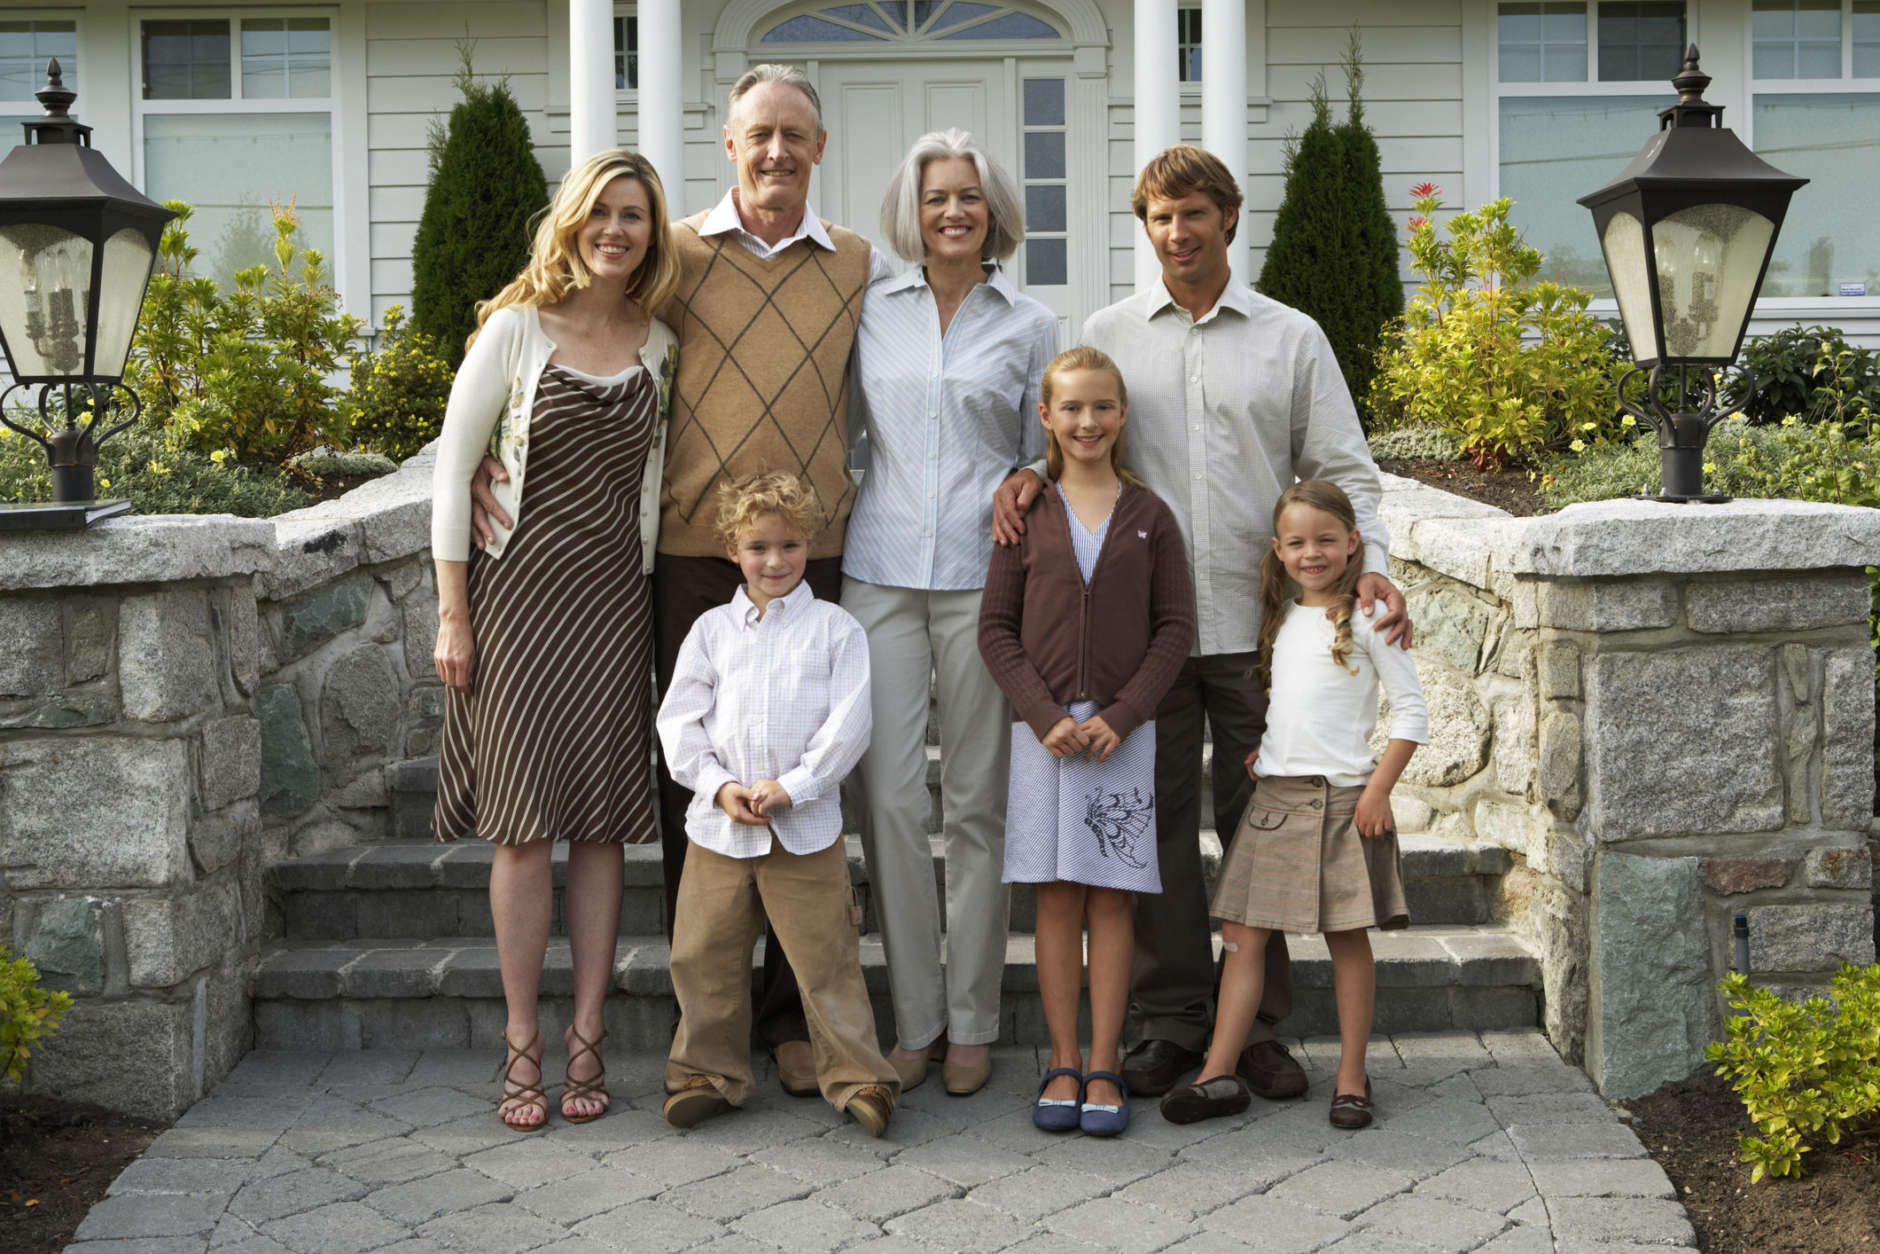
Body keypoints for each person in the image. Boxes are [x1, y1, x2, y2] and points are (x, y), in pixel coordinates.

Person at [469, 65, 894, 1097]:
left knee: (806, 778)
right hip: (690, 555)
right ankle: (705, 1020)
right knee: (688, 783)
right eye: (760, 134)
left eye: (796, 134)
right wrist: (492, 447)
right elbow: (556, 315)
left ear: (821, 148)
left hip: (810, 552)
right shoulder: (676, 255)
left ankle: (794, 1017)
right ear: (730, 143)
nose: (777, 152)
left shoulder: (857, 264)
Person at [993, 145, 1413, 1101]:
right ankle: (1173, 1020)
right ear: (1143, 230)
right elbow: (1063, 446)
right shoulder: (1108, 333)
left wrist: (1373, 570)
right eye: (1159, 218)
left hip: (1271, 635)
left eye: (1193, 214)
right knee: (1158, 836)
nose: (1177, 233)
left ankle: (1258, 1028)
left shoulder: (1290, 337)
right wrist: (1021, 476)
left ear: (1228, 218)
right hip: (1142, 643)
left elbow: (1345, 470)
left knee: (1266, 833)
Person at [430, 149, 681, 1130]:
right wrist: (453, 613)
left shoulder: (660, 341)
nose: (616, 229)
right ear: (572, 220)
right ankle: (521, 1041)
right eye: (602, 212)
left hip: (616, 602)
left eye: (635, 216)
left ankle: (588, 1038)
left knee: (605, 822)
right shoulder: (512, 331)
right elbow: (456, 474)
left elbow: (658, 488)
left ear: (651, 235)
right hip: (516, 600)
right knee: (526, 825)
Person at [844, 129, 1057, 1096]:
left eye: (968, 196)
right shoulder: (870, 309)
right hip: (879, 572)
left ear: (992, 208)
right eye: (936, 198)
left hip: (984, 577)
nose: (953, 212)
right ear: (913, 210)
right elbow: (836, 424)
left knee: (975, 804)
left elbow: (1042, 448)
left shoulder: (1030, 322)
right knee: (888, 799)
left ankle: (972, 1020)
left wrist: (1031, 475)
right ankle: (915, 1019)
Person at [1161, 480, 1426, 1128]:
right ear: (1279, 550)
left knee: (1346, 939)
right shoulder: (1279, 617)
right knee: (1244, 936)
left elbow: (1412, 713)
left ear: (1352, 543)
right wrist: (1270, 751)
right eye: (1299, 542)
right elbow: (1293, 698)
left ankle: (1352, 1076)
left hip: (1343, 802)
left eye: (1327, 540)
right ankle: (1218, 1072)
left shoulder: (1368, 618)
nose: (1314, 553)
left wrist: (1378, 790)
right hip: (1273, 799)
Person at [979, 347, 1195, 1136]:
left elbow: (1175, 630)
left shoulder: (1150, 517)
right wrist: (1043, 715)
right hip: (1043, 739)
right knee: (1056, 898)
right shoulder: (1024, 513)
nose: (1087, 422)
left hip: (1119, 739)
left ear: (1123, 413)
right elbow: (996, 631)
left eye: (1102, 406)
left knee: (1111, 901)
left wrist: (1125, 713)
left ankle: (1106, 1061)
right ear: (1045, 417)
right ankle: (1061, 1059)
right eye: (1071, 408)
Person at [654, 471, 900, 1136]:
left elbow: (850, 724)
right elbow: (680, 722)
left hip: (805, 830)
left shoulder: (835, 630)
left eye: (789, 546)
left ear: (810, 545)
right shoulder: (711, 631)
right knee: (703, 954)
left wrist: (797, 785)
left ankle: (859, 1076)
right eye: (758, 547)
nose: (774, 561)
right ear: (734, 549)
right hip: (718, 830)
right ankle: (706, 1071)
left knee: (825, 958)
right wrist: (717, 786)